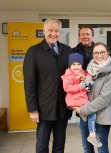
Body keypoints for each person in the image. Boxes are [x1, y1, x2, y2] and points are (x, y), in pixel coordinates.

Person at [23, 18, 73, 153]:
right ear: (44, 31)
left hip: (63, 108)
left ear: (60, 32)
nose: (53, 34)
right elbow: (29, 83)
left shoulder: (67, 50)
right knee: (41, 146)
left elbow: (73, 77)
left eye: (56, 31)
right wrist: (32, 109)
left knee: (59, 145)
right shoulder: (33, 52)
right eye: (50, 30)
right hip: (43, 109)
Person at [74, 42, 111, 153]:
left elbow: (104, 99)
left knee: (102, 149)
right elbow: (80, 91)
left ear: (108, 53)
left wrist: (83, 110)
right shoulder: (88, 71)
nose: (99, 55)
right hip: (85, 117)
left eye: (102, 52)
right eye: (95, 53)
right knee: (87, 148)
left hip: (102, 116)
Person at [61, 52, 102, 148]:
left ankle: (92, 133)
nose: (76, 67)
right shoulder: (68, 76)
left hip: (81, 99)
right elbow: (67, 88)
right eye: (73, 64)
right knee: (92, 114)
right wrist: (81, 85)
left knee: (90, 115)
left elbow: (88, 76)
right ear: (69, 65)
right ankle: (92, 134)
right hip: (75, 100)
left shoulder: (82, 72)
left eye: (78, 64)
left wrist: (87, 80)